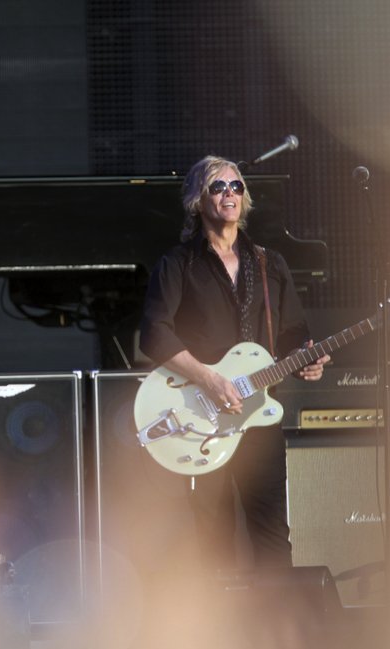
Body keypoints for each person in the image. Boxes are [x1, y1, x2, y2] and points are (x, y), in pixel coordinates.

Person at [139, 155, 329, 571]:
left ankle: (278, 612)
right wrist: (208, 379)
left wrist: (308, 355)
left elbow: (294, 330)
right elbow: (154, 334)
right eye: (218, 186)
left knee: (273, 534)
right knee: (213, 537)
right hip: (203, 420)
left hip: (258, 416)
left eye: (236, 186)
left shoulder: (269, 263)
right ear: (198, 199)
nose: (230, 193)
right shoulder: (178, 264)